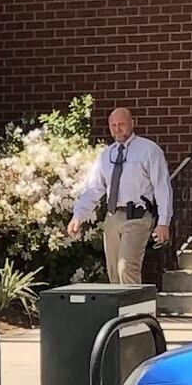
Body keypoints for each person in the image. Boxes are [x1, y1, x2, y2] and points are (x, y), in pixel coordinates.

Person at [65, 106, 173, 287]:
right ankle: (121, 313)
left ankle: (137, 313)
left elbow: (162, 187)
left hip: (137, 216)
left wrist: (163, 222)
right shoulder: (106, 155)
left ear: (132, 123)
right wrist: (78, 215)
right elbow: (93, 188)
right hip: (113, 216)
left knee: (126, 268)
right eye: (113, 125)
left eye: (121, 124)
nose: (117, 129)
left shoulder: (149, 150)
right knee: (114, 272)